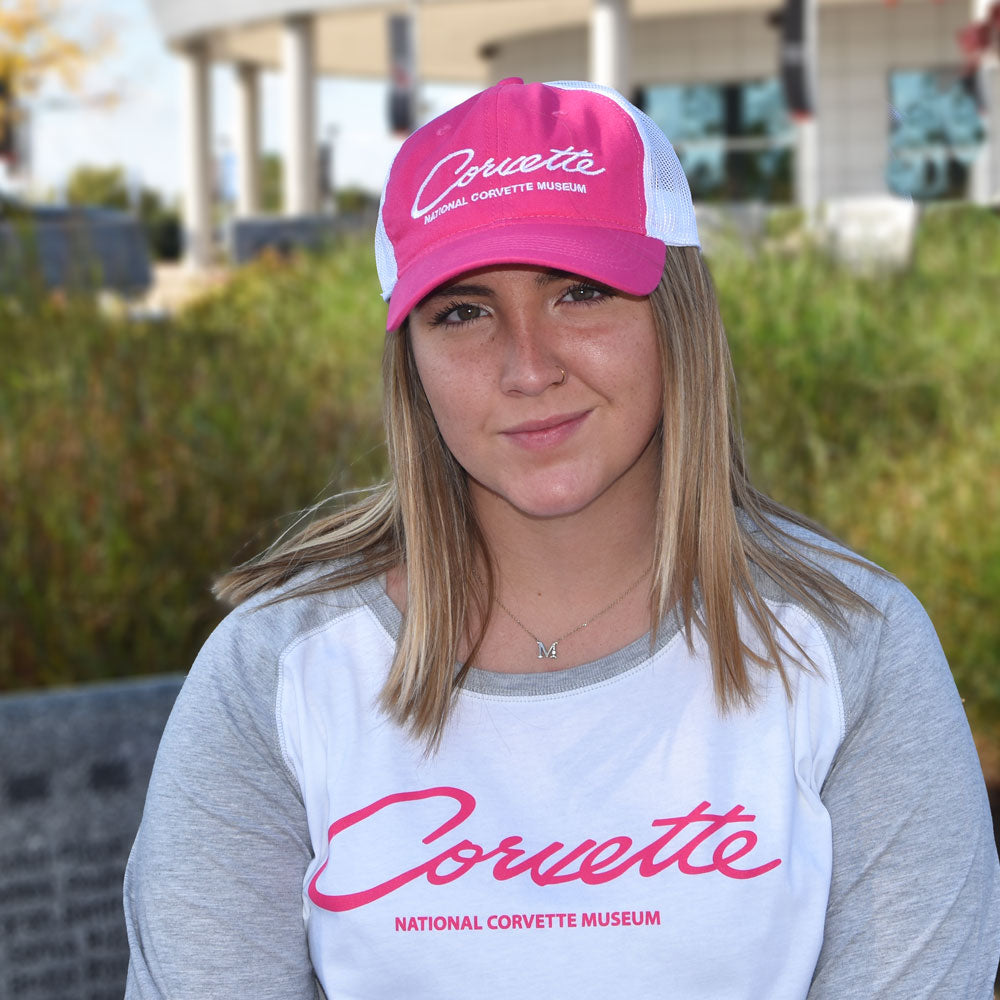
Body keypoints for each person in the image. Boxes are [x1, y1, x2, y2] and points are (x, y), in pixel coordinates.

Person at [123, 79, 1000, 999]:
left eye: (581, 292)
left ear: (678, 315)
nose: (528, 367)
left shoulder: (852, 646)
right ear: (410, 359)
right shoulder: (277, 674)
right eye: (462, 311)